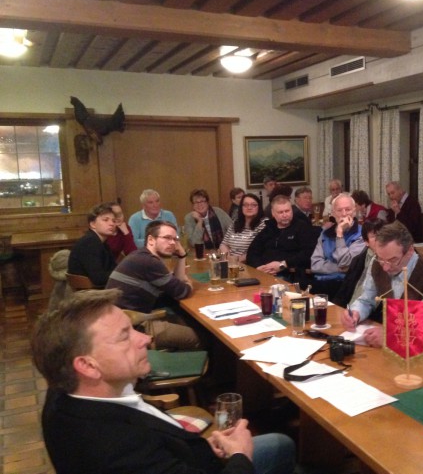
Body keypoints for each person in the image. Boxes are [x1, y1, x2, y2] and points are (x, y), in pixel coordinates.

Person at [32, 288, 296, 474]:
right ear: (88, 366)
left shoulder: (65, 391)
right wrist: (240, 454)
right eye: (124, 336)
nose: (145, 339)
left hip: (193, 455)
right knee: (280, 445)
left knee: (281, 444)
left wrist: (200, 446)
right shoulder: (116, 448)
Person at [341, 221, 423, 348]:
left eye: (393, 260)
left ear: (410, 251)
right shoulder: (377, 262)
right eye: (381, 259)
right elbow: (366, 300)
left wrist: (392, 336)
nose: (385, 267)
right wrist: (355, 313)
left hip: (419, 351)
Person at [106, 220, 203, 351]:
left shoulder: (141, 256)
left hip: (121, 321)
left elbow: (175, 284)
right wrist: (189, 284)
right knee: (202, 336)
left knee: (189, 320)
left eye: (175, 239)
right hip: (132, 327)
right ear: (151, 240)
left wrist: (181, 255)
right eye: (167, 238)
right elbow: (182, 291)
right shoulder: (148, 262)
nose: (173, 243)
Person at [246, 195, 316, 286]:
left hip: (290, 274)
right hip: (264, 273)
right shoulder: (269, 228)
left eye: (287, 211)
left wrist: (283, 265)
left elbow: (308, 253)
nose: (285, 215)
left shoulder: (302, 227)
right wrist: (259, 267)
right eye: (280, 212)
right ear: (273, 213)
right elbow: (252, 251)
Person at [310, 193, 366, 298]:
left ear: (354, 211)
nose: (344, 214)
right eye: (339, 210)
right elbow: (315, 265)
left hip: (345, 286)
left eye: (348, 209)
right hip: (320, 283)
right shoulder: (325, 233)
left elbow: (346, 263)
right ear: (333, 213)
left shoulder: (362, 234)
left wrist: (339, 235)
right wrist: (339, 268)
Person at [332, 218, 386, 308]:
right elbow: (343, 292)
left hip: (370, 311)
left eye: (382, 235)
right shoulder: (357, 261)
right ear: (366, 242)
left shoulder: (388, 262)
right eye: (374, 236)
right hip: (349, 309)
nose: (380, 239)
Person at [67, 202, 116, 288]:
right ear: (93, 224)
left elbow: (114, 268)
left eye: (113, 221)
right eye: (105, 220)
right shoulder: (89, 243)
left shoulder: (102, 243)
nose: (112, 224)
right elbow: (98, 279)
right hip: (91, 293)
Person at [219, 193, 267, 263]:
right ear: (241, 207)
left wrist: (237, 259)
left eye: (253, 205)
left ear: (259, 207)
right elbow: (224, 244)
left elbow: (261, 250)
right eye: (246, 205)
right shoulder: (235, 222)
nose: (249, 208)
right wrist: (228, 257)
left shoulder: (264, 223)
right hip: (230, 262)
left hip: (249, 264)